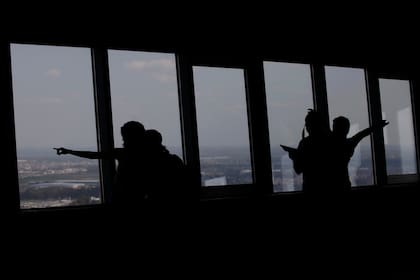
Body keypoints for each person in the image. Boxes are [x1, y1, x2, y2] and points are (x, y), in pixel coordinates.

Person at [54, 121, 148, 209]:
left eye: (124, 136)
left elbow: (92, 155)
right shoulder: (149, 154)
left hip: (122, 196)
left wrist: (69, 151)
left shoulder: (123, 153)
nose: (123, 139)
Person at [330, 116, 389, 191]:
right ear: (347, 130)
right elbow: (362, 134)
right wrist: (376, 126)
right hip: (343, 184)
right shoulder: (349, 144)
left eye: (334, 127)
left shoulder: (329, 143)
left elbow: (362, 134)